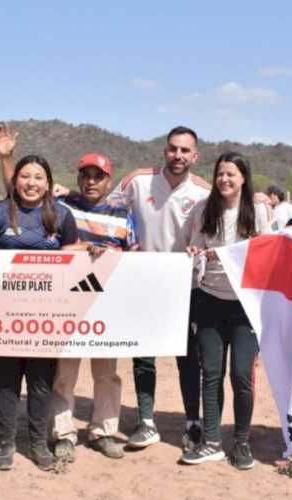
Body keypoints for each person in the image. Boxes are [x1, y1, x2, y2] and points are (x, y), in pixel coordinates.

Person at [0, 124, 133, 462]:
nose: (92, 181)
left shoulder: (124, 214)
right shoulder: (62, 204)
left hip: (105, 304)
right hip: (65, 305)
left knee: (107, 373)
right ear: (77, 178)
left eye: (99, 176)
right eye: (86, 175)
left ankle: (104, 431)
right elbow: (22, 190)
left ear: (109, 180)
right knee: (64, 374)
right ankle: (64, 434)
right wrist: (7, 157)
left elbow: (136, 255)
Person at [104, 126, 211, 451]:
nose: (178, 156)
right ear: (165, 150)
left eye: (185, 151)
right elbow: (104, 209)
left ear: (195, 156)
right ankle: (146, 421)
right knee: (143, 356)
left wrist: (257, 195)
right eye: (173, 149)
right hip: (144, 283)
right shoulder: (137, 182)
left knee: (188, 357)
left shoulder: (205, 192)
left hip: (188, 284)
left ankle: (192, 421)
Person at [0, 154, 80, 472]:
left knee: (41, 380)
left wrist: (91, 252)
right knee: (7, 379)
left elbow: (73, 255)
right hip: (5, 314)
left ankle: (38, 443)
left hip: (47, 318)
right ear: (15, 180)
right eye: (25, 176)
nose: (31, 183)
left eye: (38, 177)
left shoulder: (61, 215)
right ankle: (6, 442)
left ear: (48, 183)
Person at [181, 152, 271, 470]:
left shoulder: (258, 211)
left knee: (241, 375)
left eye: (231, 174)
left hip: (246, 306)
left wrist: (227, 255)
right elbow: (194, 245)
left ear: (244, 178)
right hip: (209, 301)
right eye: (220, 174)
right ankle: (212, 442)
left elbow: (266, 253)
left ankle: (242, 442)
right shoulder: (205, 209)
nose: (225, 180)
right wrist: (195, 251)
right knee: (212, 374)